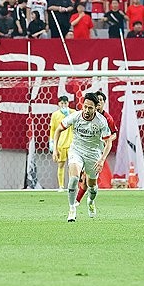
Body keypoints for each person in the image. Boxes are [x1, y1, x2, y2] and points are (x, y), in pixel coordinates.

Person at [51, 92, 112, 222]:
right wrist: (55, 149)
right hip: (76, 151)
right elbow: (58, 130)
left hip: (93, 154)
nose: (86, 110)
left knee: (92, 187)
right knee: (73, 179)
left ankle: (90, 201)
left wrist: (102, 160)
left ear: (96, 108)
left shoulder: (101, 122)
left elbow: (109, 142)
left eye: (90, 107)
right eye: (85, 106)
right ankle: (72, 209)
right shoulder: (76, 116)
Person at [48, 95, 75, 189]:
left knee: (72, 165)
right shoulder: (55, 115)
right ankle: (61, 186)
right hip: (61, 143)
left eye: (65, 103)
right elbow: (53, 129)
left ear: (68, 103)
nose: (64, 105)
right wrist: (51, 142)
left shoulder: (73, 112)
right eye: (62, 103)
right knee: (61, 164)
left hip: (72, 143)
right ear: (58, 104)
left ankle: (72, 186)